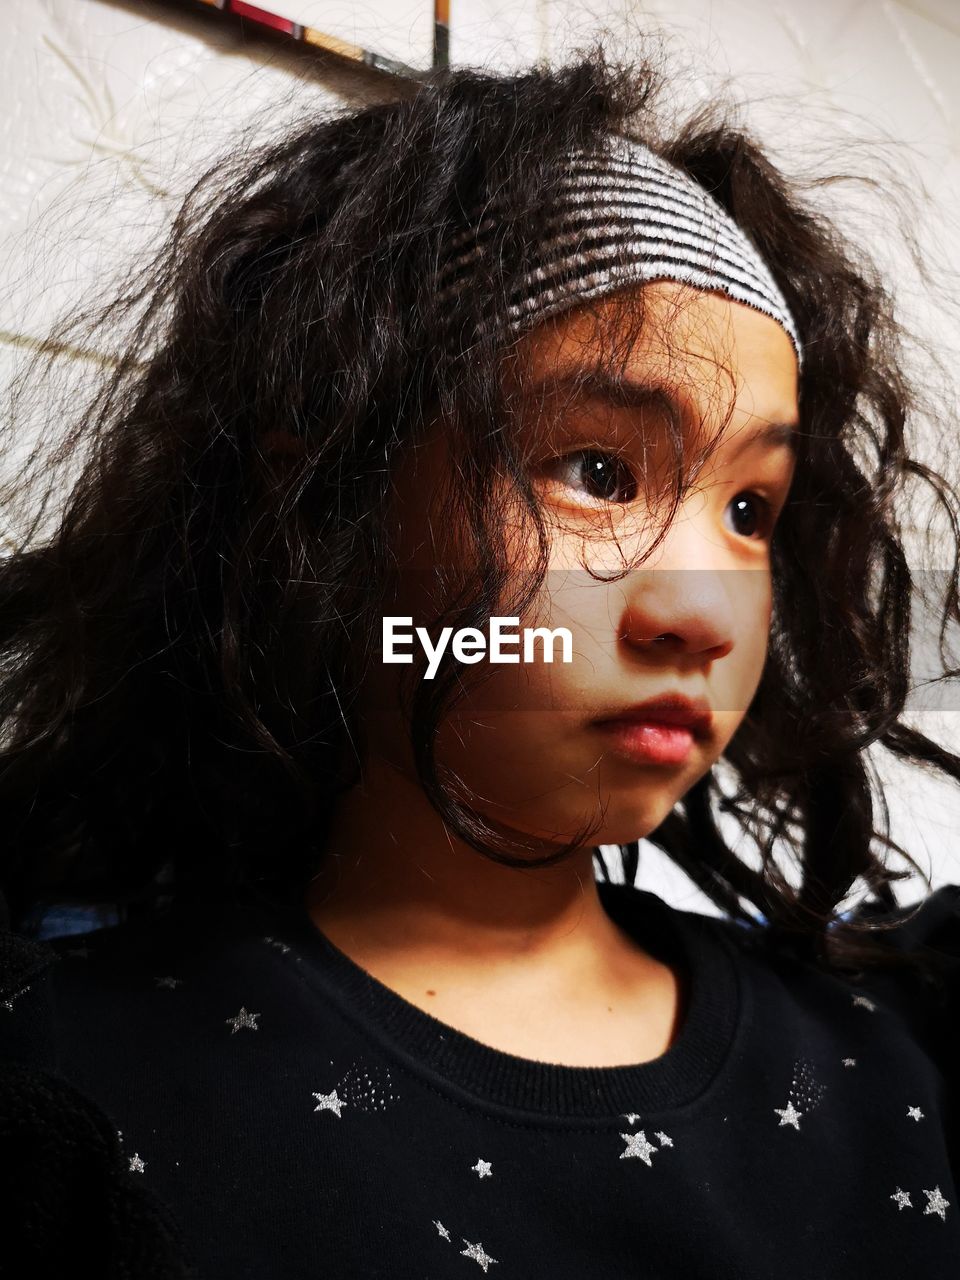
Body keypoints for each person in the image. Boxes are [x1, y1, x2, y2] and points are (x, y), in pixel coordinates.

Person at [1, 47, 960, 1279]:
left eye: (750, 510)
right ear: (331, 503)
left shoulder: (901, 1049)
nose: (705, 613)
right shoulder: (78, 1091)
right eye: (599, 472)